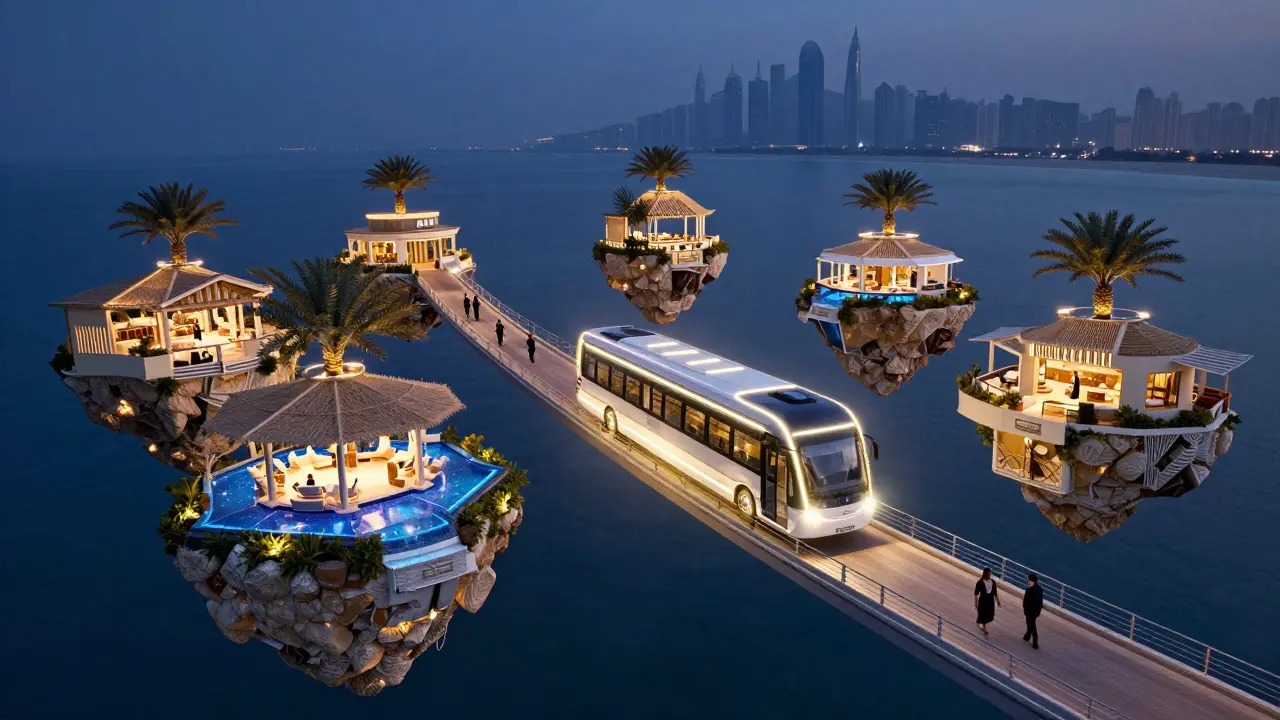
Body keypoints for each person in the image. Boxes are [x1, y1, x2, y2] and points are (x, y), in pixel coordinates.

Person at [974, 567, 1001, 635]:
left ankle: (980, 622)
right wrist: (975, 604)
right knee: (983, 613)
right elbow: (976, 594)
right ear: (986, 573)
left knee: (989, 614)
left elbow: (995, 593)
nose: (990, 574)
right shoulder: (980, 582)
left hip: (990, 601)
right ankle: (985, 627)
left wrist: (998, 601)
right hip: (983, 600)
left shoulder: (993, 582)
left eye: (991, 572)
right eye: (989, 572)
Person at [1023, 573, 1043, 649]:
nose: (1027, 581)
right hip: (1036, 611)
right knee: (1031, 623)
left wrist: (1025, 611)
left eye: (1028, 580)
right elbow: (1040, 601)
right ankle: (1027, 636)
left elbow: (1025, 602)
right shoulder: (1040, 589)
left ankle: (1035, 642)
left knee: (1031, 625)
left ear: (1031, 581)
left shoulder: (1028, 590)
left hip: (1029, 612)